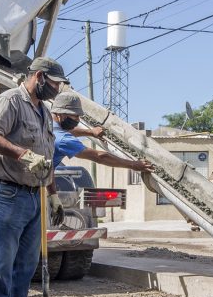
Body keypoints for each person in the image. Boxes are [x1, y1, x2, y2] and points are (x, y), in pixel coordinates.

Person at [0, 56, 65, 297]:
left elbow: (46, 159)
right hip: (7, 194)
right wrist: (22, 155)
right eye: (53, 84)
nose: (56, 91)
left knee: (25, 266)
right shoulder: (11, 101)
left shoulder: (44, 112)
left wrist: (52, 194)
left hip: (35, 196)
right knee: (1, 264)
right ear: (38, 77)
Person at [48, 89, 153, 224]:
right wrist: (134, 165)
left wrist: (90, 132)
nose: (78, 120)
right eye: (75, 116)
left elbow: (66, 131)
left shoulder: (47, 125)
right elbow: (99, 156)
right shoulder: (63, 140)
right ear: (60, 114)